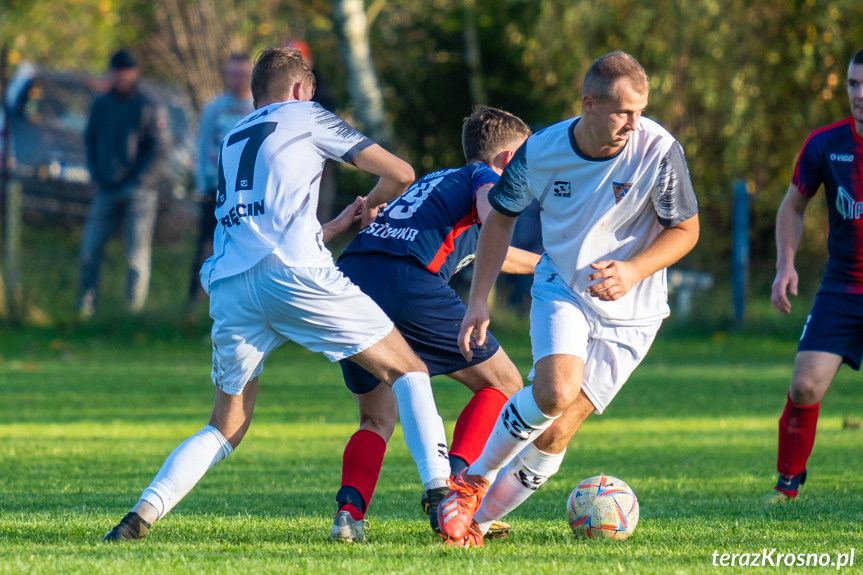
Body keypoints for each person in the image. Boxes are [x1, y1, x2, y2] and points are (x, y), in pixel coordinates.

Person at [101, 47, 435, 544]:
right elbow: (402, 173)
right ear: (300, 90)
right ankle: (442, 495)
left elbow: (264, 226)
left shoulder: (232, 135)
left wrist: (332, 226)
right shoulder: (305, 113)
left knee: (226, 425)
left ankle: (139, 517)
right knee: (409, 370)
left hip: (233, 285)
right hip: (296, 275)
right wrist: (374, 204)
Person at [436, 51, 700, 547]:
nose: (633, 123)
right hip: (564, 287)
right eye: (622, 111)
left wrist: (634, 269)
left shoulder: (659, 150)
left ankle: (476, 524)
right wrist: (478, 300)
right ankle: (471, 480)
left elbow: (686, 230)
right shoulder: (540, 151)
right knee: (554, 393)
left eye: (641, 111)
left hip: (636, 312)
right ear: (589, 105)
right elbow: (499, 218)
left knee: (556, 433)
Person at [332, 106, 539, 541]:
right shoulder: (484, 178)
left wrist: (546, 265)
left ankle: (349, 515)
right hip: (406, 279)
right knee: (503, 383)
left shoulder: (438, 181)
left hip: (352, 276)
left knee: (375, 417)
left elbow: (495, 250)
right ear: (505, 159)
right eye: (524, 159)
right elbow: (492, 216)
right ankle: (456, 493)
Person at [763, 48, 863, 504]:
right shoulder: (825, 143)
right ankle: (787, 488)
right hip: (842, 286)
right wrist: (786, 264)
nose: (859, 95)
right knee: (804, 384)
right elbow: (793, 206)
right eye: (853, 85)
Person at [78, 49, 171, 317]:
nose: (120, 76)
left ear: (135, 72)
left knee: (136, 258)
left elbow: (160, 148)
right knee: (89, 252)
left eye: (125, 70)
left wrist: (140, 181)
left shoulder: (148, 105)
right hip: (105, 188)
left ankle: (132, 313)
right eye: (116, 71)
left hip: (139, 192)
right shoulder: (101, 104)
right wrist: (96, 175)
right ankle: (85, 310)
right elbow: (90, 140)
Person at [187, 54, 255, 315]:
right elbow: (202, 146)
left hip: (248, 192)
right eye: (233, 73)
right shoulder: (213, 109)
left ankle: (242, 305)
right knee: (207, 245)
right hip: (216, 190)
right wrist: (201, 184)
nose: (238, 79)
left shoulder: (257, 108)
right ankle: (196, 305)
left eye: (243, 73)